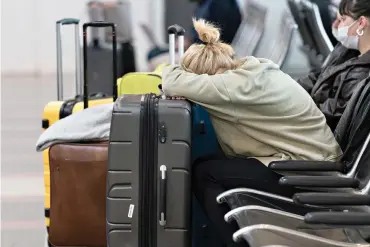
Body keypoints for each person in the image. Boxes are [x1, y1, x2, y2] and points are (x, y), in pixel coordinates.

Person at [162, 19, 342, 247]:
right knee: (209, 163)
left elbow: (170, 81)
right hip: (315, 162)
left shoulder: (229, 87)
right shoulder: (251, 69)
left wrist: (185, 78)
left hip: (310, 175)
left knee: (204, 173)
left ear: (205, 77)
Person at [298, 0, 370, 131]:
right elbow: (319, 76)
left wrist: (294, 105)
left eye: (342, 19)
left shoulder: (363, 75)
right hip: (308, 118)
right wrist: (289, 88)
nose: (336, 25)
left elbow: (331, 117)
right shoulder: (347, 50)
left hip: (316, 132)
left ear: (361, 23)